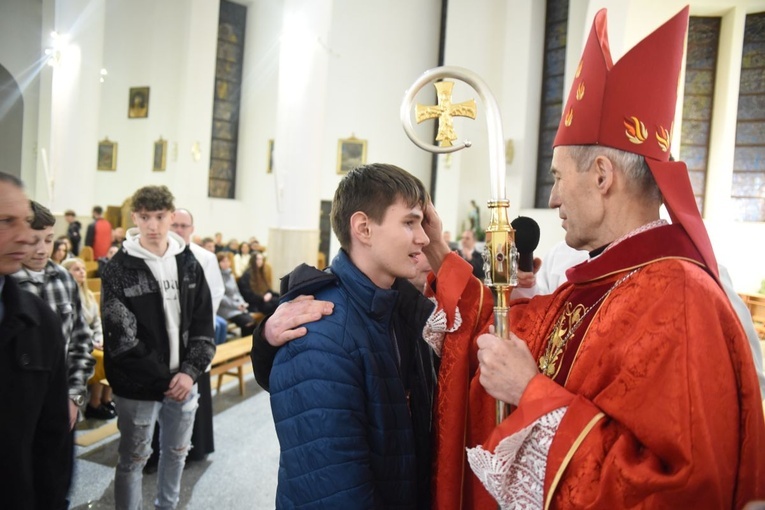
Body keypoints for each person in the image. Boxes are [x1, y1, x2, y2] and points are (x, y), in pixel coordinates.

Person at [459, 8, 764, 508]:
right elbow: (521, 329)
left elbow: (674, 489)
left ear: (602, 175)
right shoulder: (611, 278)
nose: (552, 199)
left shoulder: (680, 298)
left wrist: (530, 390)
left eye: (557, 178)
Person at [267, 163, 439, 508]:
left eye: (423, 223)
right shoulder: (318, 331)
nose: (424, 238)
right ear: (363, 228)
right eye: (409, 222)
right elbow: (334, 491)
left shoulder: (401, 310)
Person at [101, 185, 215, 509]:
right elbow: (121, 338)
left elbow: (203, 322)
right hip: (138, 383)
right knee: (134, 458)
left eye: (160, 217)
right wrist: (167, 378)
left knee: (177, 453)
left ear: (171, 216)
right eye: (145, 217)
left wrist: (190, 372)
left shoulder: (188, 262)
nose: (153, 225)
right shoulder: (119, 269)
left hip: (184, 380)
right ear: (134, 218)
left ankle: (167, 505)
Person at [0, 172, 73, 509]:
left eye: (26, 222)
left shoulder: (39, 319)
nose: (25, 237)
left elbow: (52, 440)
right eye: (5, 222)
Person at [12, 201, 95, 431]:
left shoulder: (64, 278)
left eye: (48, 240)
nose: (42, 250)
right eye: (32, 241)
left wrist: (75, 397)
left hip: (59, 400)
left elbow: (81, 343)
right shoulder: (7, 282)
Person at [62, 257, 116, 420]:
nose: (82, 272)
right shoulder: (64, 295)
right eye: (76, 269)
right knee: (100, 358)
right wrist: (92, 343)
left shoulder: (88, 295)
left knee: (113, 352)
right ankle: (94, 404)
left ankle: (105, 399)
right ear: (66, 272)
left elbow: (96, 321)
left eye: (83, 269)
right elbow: (71, 328)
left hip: (93, 340)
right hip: (76, 344)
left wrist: (100, 339)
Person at [217, 252, 257, 338]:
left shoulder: (231, 275)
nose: (226, 263)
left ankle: (249, 346)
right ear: (218, 263)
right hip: (225, 308)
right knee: (248, 323)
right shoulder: (217, 276)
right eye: (223, 261)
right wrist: (237, 306)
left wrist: (242, 303)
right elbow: (221, 297)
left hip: (237, 306)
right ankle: (244, 346)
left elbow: (237, 292)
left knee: (253, 322)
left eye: (227, 261)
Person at [237, 251, 279, 315]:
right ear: (253, 260)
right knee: (273, 306)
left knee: (280, 299)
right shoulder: (247, 275)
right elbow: (248, 295)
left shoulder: (261, 272)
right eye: (258, 259)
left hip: (264, 299)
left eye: (261, 259)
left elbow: (266, 288)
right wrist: (262, 298)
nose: (260, 261)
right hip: (255, 303)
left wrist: (270, 293)